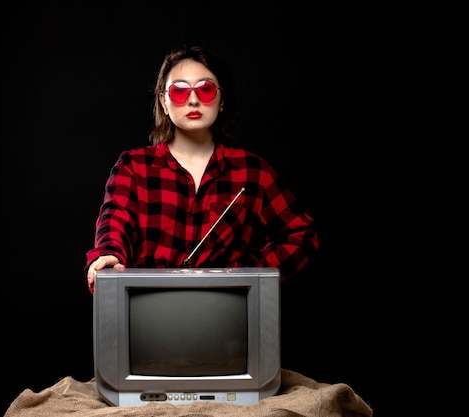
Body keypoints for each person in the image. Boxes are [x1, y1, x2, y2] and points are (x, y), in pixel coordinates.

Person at [85, 44, 319, 294]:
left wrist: (251, 274)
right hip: (152, 310)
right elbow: (114, 221)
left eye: (205, 89)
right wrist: (108, 254)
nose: (194, 100)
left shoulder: (252, 171)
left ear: (221, 101)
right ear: (164, 102)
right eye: (179, 91)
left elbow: (301, 235)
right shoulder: (133, 167)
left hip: (226, 317)